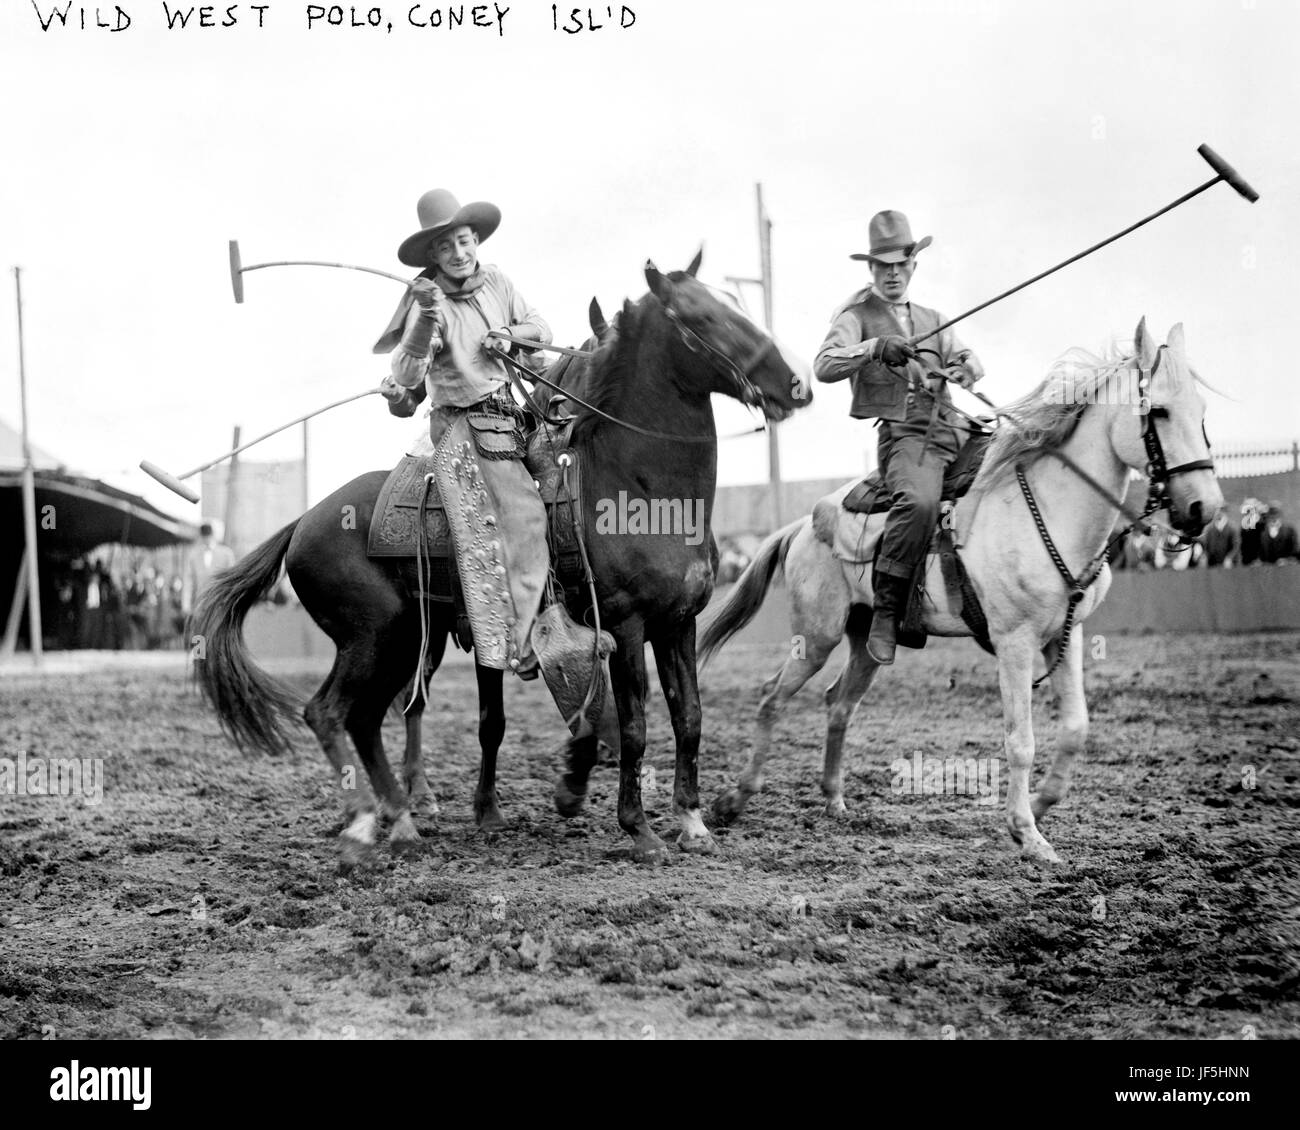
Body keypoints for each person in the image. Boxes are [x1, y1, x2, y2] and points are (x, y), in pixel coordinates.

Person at [372, 189, 552, 675]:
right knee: (523, 516)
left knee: (568, 480)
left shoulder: (496, 281)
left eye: (465, 241)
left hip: (512, 415)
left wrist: (511, 336)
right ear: (432, 255)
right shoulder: (425, 302)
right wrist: (426, 316)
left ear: (476, 240)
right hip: (462, 427)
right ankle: (521, 638)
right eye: (447, 246)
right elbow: (408, 376)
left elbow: (540, 326)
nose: (459, 253)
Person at [814, 210, 984, 664]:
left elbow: (970, 360)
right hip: (905, 436)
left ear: (913, 266)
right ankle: (888, 611)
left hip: (954, 424)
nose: (892, 274)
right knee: (921, 503)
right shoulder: (856, 316)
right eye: (883, 266)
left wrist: (962, 368)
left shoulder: (934, 317)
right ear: (871, 269)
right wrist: (873, 348)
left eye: (900, 265)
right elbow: (824, 365)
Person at [182, 522, 236, 619]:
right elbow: (188, 581)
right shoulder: (193, 555)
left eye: (208, 535)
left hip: (219, 604)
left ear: (213, 535)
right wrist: (186, 604)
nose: (207, 539)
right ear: (201, 537)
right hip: (199, 605)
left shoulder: (226, 554)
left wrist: (230, 603)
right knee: (200, 633)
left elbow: (231, 580)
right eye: (204, 536)